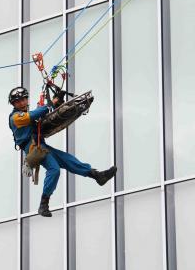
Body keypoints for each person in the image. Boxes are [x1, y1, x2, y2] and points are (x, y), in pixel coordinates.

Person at [8, 86, 117, 217]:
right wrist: (51, 103)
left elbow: (40, 115)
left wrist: (56, 103)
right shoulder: (15, 117)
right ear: (14, 104)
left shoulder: (25, 113)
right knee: (54, 169)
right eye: (18, 101)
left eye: (23, 99)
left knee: (67, 159)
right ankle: (44, 204)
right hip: (33, 148)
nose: (22, 102)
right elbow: (33, 115)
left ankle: (97, 176)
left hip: (40, 145)